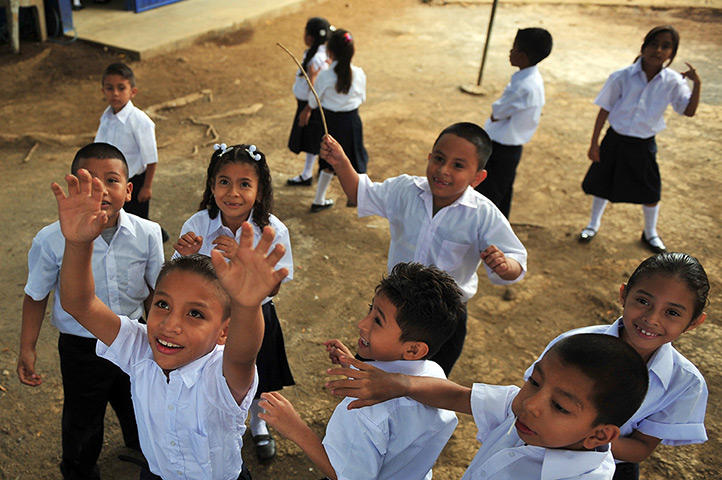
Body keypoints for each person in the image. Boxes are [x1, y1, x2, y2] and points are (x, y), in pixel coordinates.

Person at [51, 165, 289, 480]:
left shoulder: (223, 374)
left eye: (196, 313)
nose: (170, 324)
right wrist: (78, 244)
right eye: (162, 304)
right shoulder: (140, 348)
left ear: (224, 331)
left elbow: (244, 352)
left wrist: (248, 305)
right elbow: (79, 305)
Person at [319, 121, 527, 375]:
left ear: (477, 177)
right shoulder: (406, 190)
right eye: (438, 158)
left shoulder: (483, 215)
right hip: (392, 312)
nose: (443, 170)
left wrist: (505, 265)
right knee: (376, 376)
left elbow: (516, 260)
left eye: (458, 165)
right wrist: (341, 163)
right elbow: (361, 193)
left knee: (423, 386)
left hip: (442, 321)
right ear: (429, 157)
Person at [17, 143, 164, 479]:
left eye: (111, 180)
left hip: (136, 340)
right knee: (82, 421)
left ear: (128, 191)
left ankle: (150, 460)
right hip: (81, 347)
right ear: (74, 187)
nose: (100, 190)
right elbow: (36, 295)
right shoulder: (51, 239)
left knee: (142, 409)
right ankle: (80, 470)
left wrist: (159, 340)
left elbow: (156, 292)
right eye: (89, 181)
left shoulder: (148, 233)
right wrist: (27, 347)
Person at [326, 333, 649, 479]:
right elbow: (456, 396)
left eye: (561, 407)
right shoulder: (528, 416)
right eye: (535, 382)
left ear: (599, 436)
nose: (530, 405)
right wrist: (398, 383)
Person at [258, 262, 464, 480]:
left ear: (413, 349)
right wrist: (354, 368)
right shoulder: (434, 374)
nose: (361, 324)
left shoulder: (364, 410)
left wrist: (295, 428)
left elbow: (345, 475)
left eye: (377, 320)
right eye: (370, 309)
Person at [524, 252, 709, 480]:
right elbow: (531, 395)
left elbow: (641, 447)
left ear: (693, 322)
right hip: (537, 447)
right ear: (624, 295)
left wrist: (583, 438)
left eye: (672, 312)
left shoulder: (684, 383)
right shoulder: (574, 344)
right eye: (643, 301)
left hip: (612, 467)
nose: (652, 319)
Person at [173, 143, 294, 462]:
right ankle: (220, 424)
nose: (233, 192)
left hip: (256, 316)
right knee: (212, 375)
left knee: (260, 373)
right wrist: (186, 257)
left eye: (244, 184)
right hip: (210, 321)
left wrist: (244, 261)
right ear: (212, 186)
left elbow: (275, 288)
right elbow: (179, 280)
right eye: (224, 181)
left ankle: (258, 425)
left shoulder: (273, 230)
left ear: (259, 189)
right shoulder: (197, 225)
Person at [578, 25, 701, 253]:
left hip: (643, 144)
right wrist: (594, 142)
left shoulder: (673, 82)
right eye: (654, 44)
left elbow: (688, 111)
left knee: (651, 191)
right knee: (603, 184)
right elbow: (604, 110)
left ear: (672, 54)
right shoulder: (622, 77)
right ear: (644, 47)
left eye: (666, 46)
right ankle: (592, 224)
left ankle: (650, 233)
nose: (658, 50)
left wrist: (697, 85)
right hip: (615, 140)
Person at [474, 27, 553, 218]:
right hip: (510, 149)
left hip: (501, 149)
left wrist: (495, 113)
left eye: (514, 48)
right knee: (502, 191)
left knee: (489, 195)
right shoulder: (532, 79)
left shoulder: (523, 86)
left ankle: (486, 236)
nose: (510, 52)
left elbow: (497, 112)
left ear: (523, 57)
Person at [94, 62, 169, 242]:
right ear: (103, 91)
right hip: (111, 179)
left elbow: (151, 158)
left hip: (135, 181)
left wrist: (147, 186)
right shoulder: (106, 118)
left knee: (138, 220)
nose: (115, 93)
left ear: (132, 91)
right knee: (118, 215)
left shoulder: (140, 121)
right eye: (110, 88)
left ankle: (153, 238)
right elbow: (99, 147)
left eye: (121, 88)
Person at [303, 28, 368, 212]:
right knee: (356, 158)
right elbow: (362, 98)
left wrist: (314, 78)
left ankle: (319, 199)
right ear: (352, 51)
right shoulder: (358, 73)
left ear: (329, 51)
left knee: (328, 161)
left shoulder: (324, 75)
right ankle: (355, 197)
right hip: (351, 122)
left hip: (329, 123)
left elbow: (313, 103)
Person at [286, 17, 332, 187]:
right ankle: (307, 173)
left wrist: (308, 109)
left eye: (305, 31)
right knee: (313, 142)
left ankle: (316, 173)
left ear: (311, 37)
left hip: (310, 106)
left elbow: (316, 87)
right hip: (307, 104)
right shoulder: (315, 53)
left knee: (315, 141)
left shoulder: (317, 59)